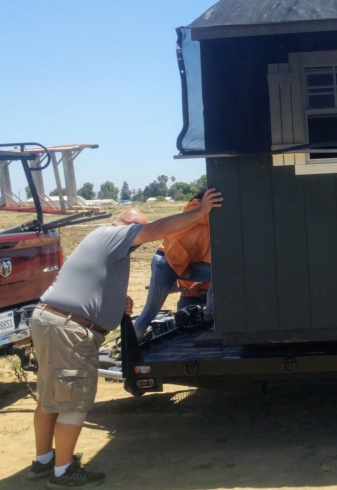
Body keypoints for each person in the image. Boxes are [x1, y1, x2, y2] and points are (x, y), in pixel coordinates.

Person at [27, 189, 222, 488]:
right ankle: (63, 472)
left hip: (53, 322)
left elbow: (91, 281)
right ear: (122, 223)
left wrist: (117, 300)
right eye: (134, 228)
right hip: (69, 329)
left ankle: (44, 461)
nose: (136, 237)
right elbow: (157, 229)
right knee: (73, 402)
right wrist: (199, 212)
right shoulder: (110, 234)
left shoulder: (108, 246)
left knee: (51, 397)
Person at [132, 193, 214, 342]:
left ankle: (210, 315)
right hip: (165, 261)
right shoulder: (195, 208)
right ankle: (130, 347)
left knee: (222, 274)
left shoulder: (210, 217)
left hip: (185, 262)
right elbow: (211, 217)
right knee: (150, 311)